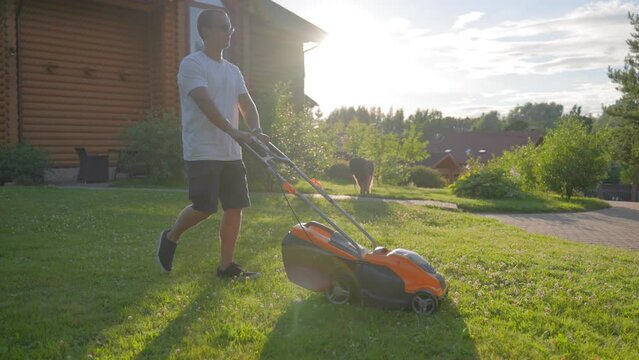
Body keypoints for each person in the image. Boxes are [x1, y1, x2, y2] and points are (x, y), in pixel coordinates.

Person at [156, 8, 268, 279]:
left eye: (230, 27)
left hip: (231, 151)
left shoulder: (233, 71)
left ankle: (226, 266)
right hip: (203, 149)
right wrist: (232, 130)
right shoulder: (192, 65)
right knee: (204, 207)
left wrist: (255, 129)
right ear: (206, 30)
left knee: (235, 206)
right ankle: (171, 236)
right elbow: (204, 102)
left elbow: (246, 103)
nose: (230, 32)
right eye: (224, 27)